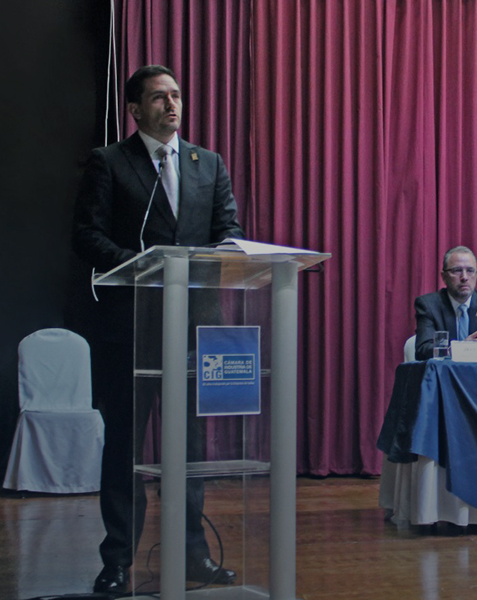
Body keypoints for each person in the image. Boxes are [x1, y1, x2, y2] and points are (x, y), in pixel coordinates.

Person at [73, 65, 242, 593]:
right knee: (125, 446)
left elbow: (228, 231)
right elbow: (87, 236)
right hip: (130, 327)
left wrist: (229, 250)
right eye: (158, 98)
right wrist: (140, 267)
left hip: (193, 328)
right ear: (134, 109)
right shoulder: (109, 162)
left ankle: (193, 557)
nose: (171, 105)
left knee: (189, 448)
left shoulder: (207, 163)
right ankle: (117, 561)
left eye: (176, 96)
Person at [414, 246, 477, 360]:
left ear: (476, 275)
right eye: (457, 270)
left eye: (470, 271)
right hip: (446, 371)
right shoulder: (428, 305)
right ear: (444, 277)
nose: (464, 277)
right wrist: (461, 349)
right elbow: (423, 350)